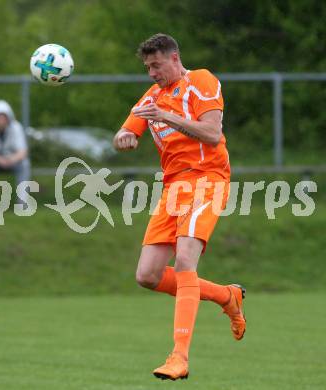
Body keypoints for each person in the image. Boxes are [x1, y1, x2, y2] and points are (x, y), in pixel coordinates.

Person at [113, 33, 246, 381]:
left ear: (174, 59)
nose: (151, 74)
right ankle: (226, 295)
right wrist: (124, 138)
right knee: (147, 275)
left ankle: (179, 357)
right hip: (172, 188)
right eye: (147, 67)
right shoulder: (152, 97)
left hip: (207, 179)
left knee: (185, 259)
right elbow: (125, 131)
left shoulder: (200, 80)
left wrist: (165, 116)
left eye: (156, 66)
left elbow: (212, 134)